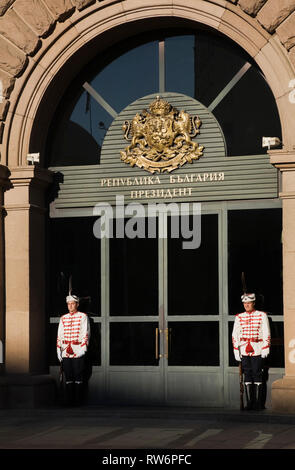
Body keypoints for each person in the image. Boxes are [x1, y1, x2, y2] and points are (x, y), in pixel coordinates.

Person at [232, 293, 271, 410]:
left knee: (257, 373)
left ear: (253, 303)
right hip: (244, 348)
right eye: (245, 303)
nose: (246, 305)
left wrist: (265, 347)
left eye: (249, 303)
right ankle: (249, 403)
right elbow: (235, 334)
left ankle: (259, 404)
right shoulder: (239, 317)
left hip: (257, 348)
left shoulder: (261, 315)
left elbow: (266, 332)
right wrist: (236, 350)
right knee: (247, 374)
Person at [57, 294, 90, 405]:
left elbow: (85, 333)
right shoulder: (63, 318)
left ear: (77, 304)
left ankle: (78, 401)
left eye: (72, 304)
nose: (70, 306)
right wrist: (59, 350)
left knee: (78, 375)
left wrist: (83, 349)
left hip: (77, 349)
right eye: (68, 304)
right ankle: (69, 400)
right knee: (68, 376)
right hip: (66, 350)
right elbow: (59, 335)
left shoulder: (83, 316)